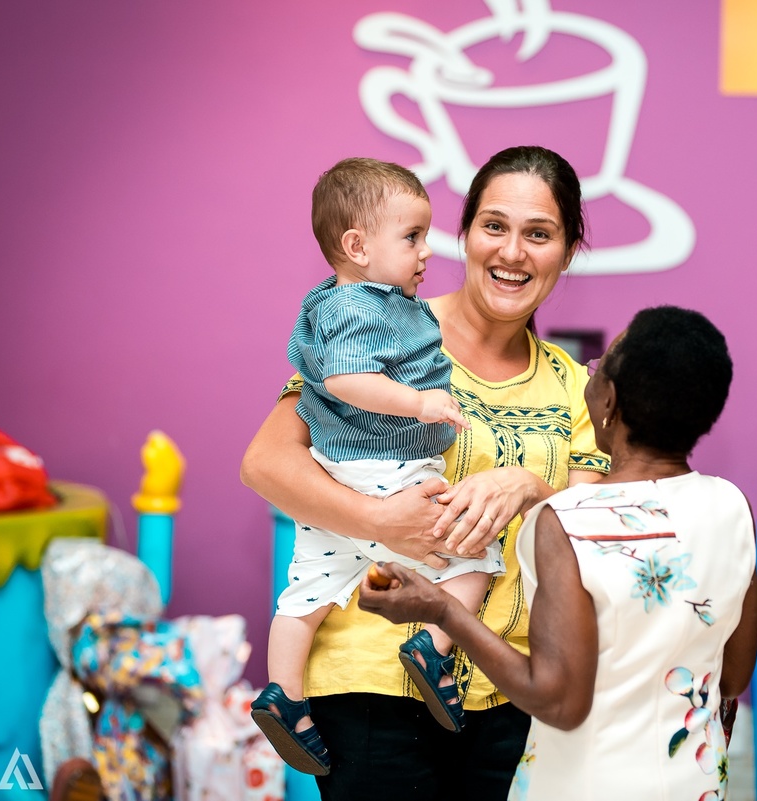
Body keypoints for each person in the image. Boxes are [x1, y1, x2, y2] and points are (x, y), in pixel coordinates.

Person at [240, 145, 609, 800]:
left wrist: (527, 484)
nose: (512, 252)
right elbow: (266, 463)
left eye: (539, 234)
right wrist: (381, 521)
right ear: (464, 234)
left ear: (569, 249)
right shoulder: (383, 324)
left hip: (507, 691)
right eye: (494, 225)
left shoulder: (573, 385)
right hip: (372, 685)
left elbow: (587, 532)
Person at [360, 305, 757, 800]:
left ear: (608, 400)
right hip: (691, 783)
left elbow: (557, 700)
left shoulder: (566, 522)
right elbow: (734, 676)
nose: (590, 373)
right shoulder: (731, 507)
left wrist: (441, 610)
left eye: (600, 365)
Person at [251, 157, 500, 775]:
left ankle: (285, 696)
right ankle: (434, 648)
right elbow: (345, 379)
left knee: (305, 593)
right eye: (412, 236)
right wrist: (420, 402)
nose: (426, 251)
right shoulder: (356, 307)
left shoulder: (350, 303)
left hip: (336, 476)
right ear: (357, 246)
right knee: (475, 557)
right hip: (384, 468)